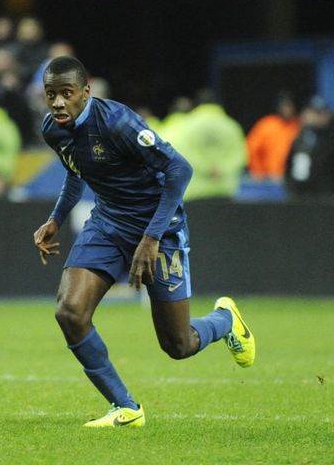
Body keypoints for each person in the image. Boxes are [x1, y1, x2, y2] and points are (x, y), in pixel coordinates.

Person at [32, 56, 255, 428]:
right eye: (50, 94)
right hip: (107, 224)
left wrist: (152, 236)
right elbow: (75, 173)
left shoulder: (118, 122)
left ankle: (225, 320)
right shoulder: (53, 129)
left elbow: (179, 168)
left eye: (66, 94)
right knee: (69, 311)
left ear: (85, 93)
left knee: (178, 345)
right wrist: (56, 218)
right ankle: (126, 408)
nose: (57, 102)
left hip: (160, 229)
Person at [246, 91, 300, 182]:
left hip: (291, 179)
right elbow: (250, 149)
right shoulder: (267, 124)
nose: (287, 110)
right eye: (284, 106)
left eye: (289, 106)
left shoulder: (298, 126)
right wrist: (257, 171)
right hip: (267, 178)